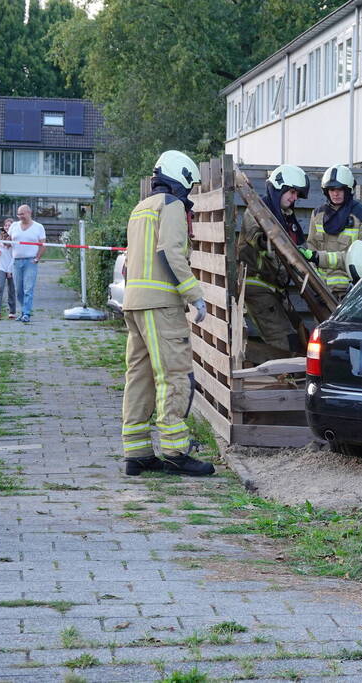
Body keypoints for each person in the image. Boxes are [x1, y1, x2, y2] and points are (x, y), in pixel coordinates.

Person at [121, 150, 213, 477]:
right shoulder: (170, 205)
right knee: (174, 373)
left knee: (140, 377)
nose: (189, 194)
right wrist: (196, 296)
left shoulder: (140, 208)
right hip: (161, 305)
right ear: (181, 179)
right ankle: (175, 451)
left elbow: (133, 259)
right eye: (190, 187)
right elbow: (170, 253)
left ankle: (137, 452)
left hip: (134, 303)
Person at [236, 164, 309, 354]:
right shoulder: (257, 211)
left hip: (276, 290)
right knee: (285, 340)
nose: (294, 198)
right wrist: (274, 241)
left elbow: (302, 251)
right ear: (279, 186)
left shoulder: (288, 219)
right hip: (257, 286)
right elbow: (257, 239)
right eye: (292, 192)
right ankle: (287, 379)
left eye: (297, 195)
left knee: (302, 336)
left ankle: (291, 377)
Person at [302, 165, 362, 298]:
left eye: (339, 189)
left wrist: (320, 258)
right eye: (331, 189)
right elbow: (311, 244)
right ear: (326, 191)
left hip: (349, 292)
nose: (335, 194)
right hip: (321, 290)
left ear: (348, 190)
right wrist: (315, 280)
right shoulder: (318, 214)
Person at [9, 205, 46, 323]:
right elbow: (8, 241)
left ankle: (26, 313)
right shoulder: (14, 226)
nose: (20, 217)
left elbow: (42, 244)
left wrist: (37, 258)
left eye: (22, 214)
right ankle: (23, 310)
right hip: (17, 261)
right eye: (18, 214)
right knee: (18, 289)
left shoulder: (38, 227)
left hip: (30, 261)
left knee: (28, 289)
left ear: (29, 213)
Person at [0, 219, 16, 319]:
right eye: (6, 225)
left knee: (11, 290)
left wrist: (10, 270)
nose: (7, 227)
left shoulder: (14, 239)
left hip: (11, 267)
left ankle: (12, 311)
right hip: (1, 267)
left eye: (9, 225)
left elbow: (14, 256)